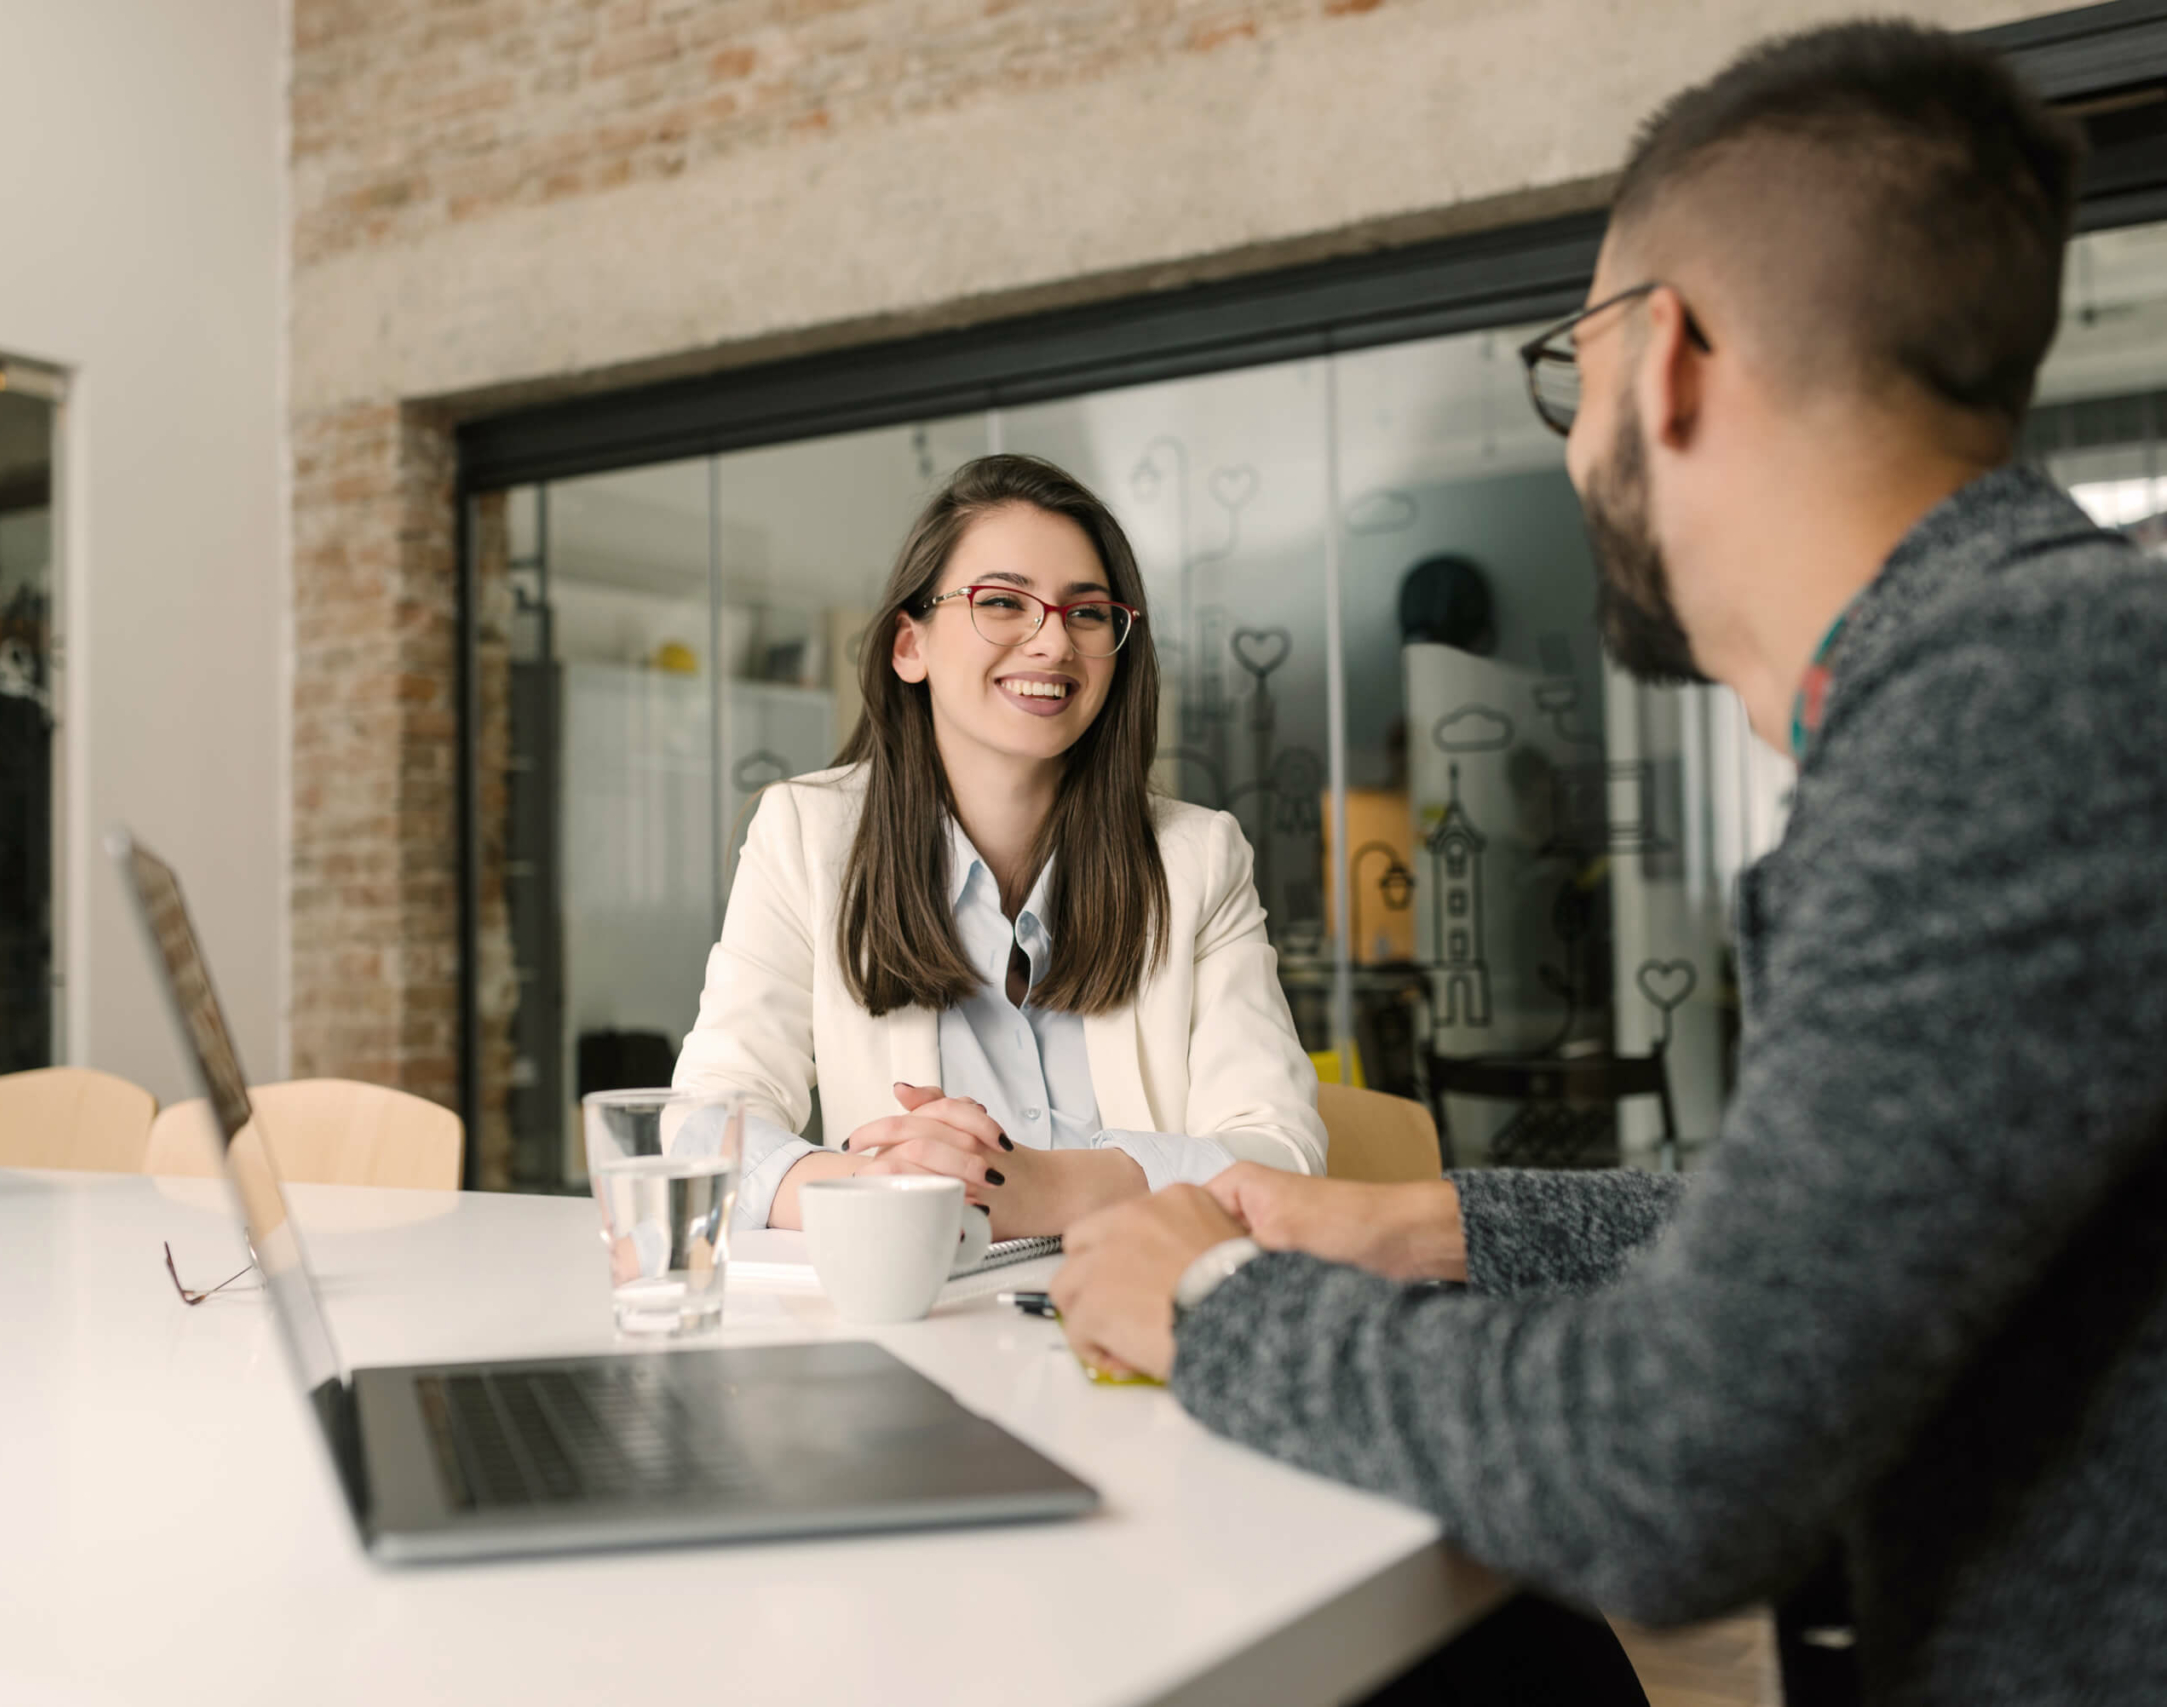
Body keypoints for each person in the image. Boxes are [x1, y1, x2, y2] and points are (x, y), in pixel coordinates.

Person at [1053, 20, 2167, 1704]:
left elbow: (1670, 1468)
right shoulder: (2036, 675)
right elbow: (1808, 1238)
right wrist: (1438, 1227)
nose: (1577, 452)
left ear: (1665, 360)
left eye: (1569, 375)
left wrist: (1207, 1303)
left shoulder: (2013, 718)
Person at [673, 454, 1322, 1238]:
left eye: (1086, 613)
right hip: (919, 1323)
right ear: (908, 646)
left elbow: (1282, 1155)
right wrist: (884, 1184)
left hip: (1146, 1318)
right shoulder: (806, 837)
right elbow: (705, 1126)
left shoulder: (1200, 860)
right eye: (1004, 602)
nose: (1052, 643)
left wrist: (1049, 1187)